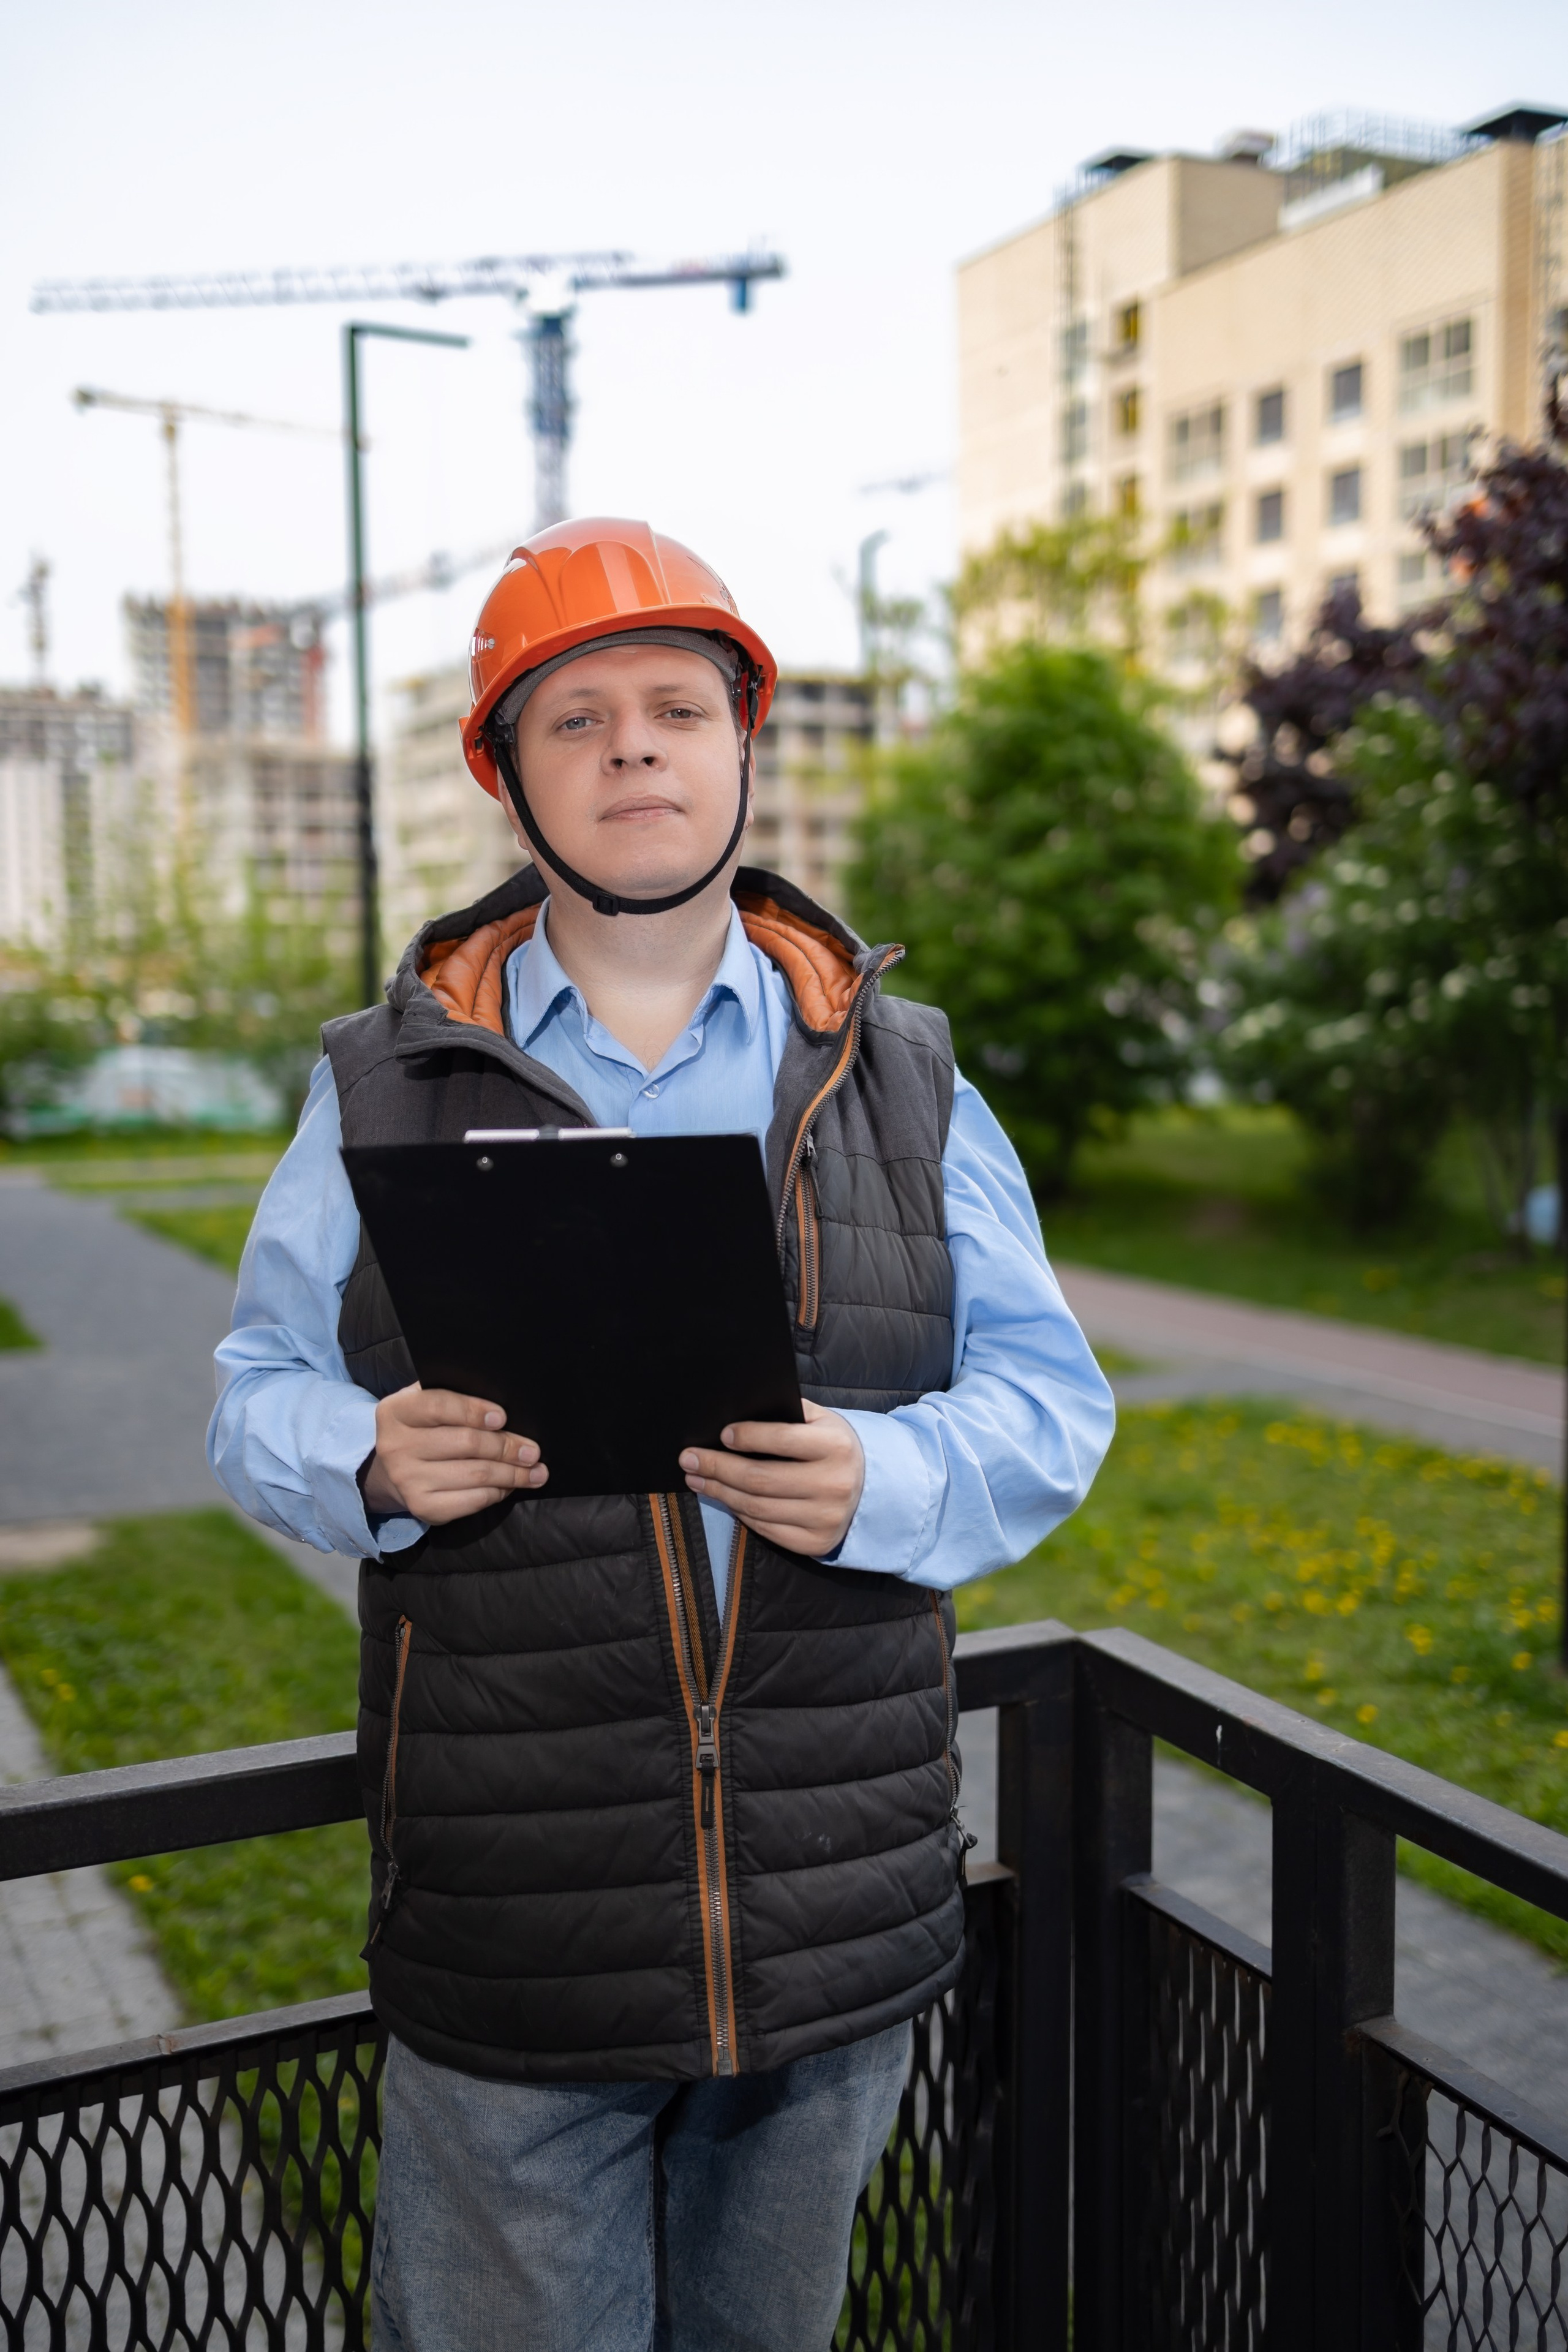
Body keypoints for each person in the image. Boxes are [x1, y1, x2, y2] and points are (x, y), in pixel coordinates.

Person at [209, 517, 1114, 2352]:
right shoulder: (374, 1079)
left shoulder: (904, 1072)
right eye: (577, 718)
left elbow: (1049, 1402)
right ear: (509, 777)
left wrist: (892, 1478)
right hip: (518, 1924)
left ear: (743, 747)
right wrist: (371, 1461)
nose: (635, 746)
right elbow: (251, 1391)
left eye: (678, 706)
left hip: (823, 1925)